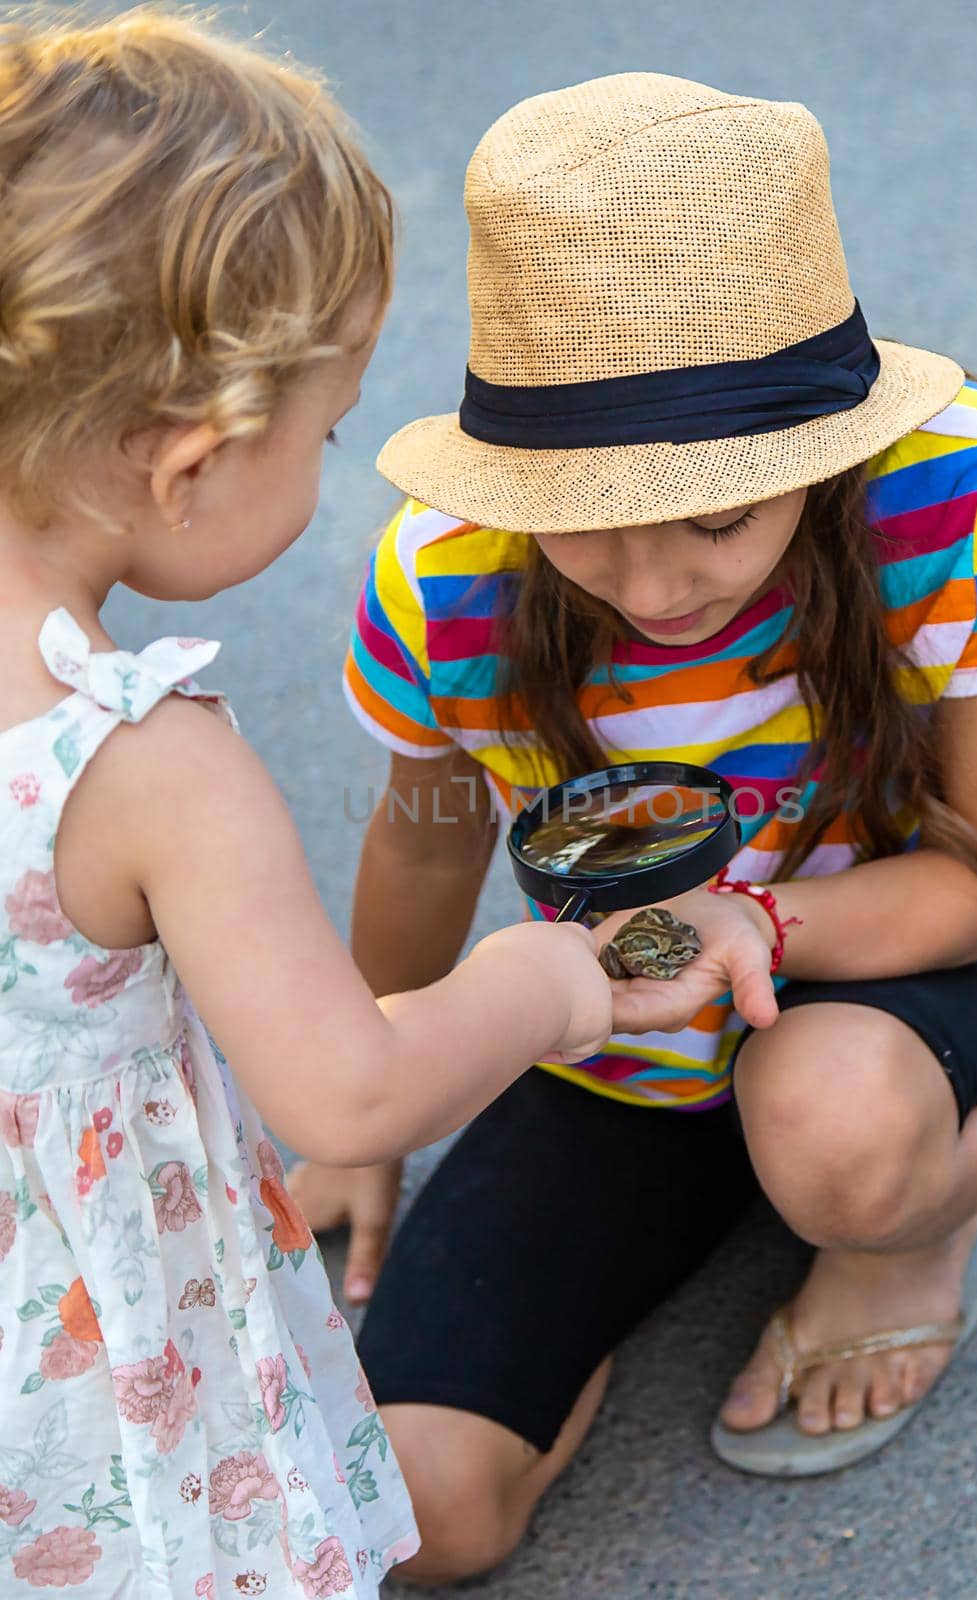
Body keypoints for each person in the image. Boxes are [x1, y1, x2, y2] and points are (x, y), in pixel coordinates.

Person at [289, 72, 977, 1585]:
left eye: (716, 517)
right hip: (621, 1029)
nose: (655, 588)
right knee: (418, 1514)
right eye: (588, 517)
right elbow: (419, 838)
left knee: (830, 1120)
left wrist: (765, 926)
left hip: (881, 983)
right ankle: (722, 1202)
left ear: (818, 452)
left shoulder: (967, 483)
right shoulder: (441, 571)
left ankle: (923, 1213)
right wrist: (372, 1102)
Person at [0, 16, 624, 1597]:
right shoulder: (145, 766)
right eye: (328, 429)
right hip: (84, 1337)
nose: (334, 461)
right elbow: (346, 1094)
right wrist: (539, 979)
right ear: (193, 460)